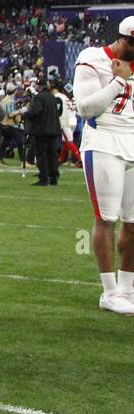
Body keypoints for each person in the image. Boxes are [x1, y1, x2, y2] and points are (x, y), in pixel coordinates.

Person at [72, 16, 134, 314]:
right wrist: (118, 81)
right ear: (125, 42)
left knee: (133, 223)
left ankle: (127, 288)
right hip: (103, 140)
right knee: (106, 218)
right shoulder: (92, 58)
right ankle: (109, 292)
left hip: (132, 140)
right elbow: (86, 108)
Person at [23, 74, 63, 187]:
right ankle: (54, 177)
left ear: (39, 87)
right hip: (54, 130)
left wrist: (26, 114)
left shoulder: (38, 97)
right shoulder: (52, 97)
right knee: (52, 155)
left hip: (41, 130)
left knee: (41, 155)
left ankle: (44, 177)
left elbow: (36, 112)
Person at [59, 82, 81, 168]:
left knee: (69, 141)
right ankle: (61, 159)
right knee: (65, 141)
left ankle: (80, 159)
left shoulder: (63, 98)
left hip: (67, 121)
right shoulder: (75, 99)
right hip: (74, 120)